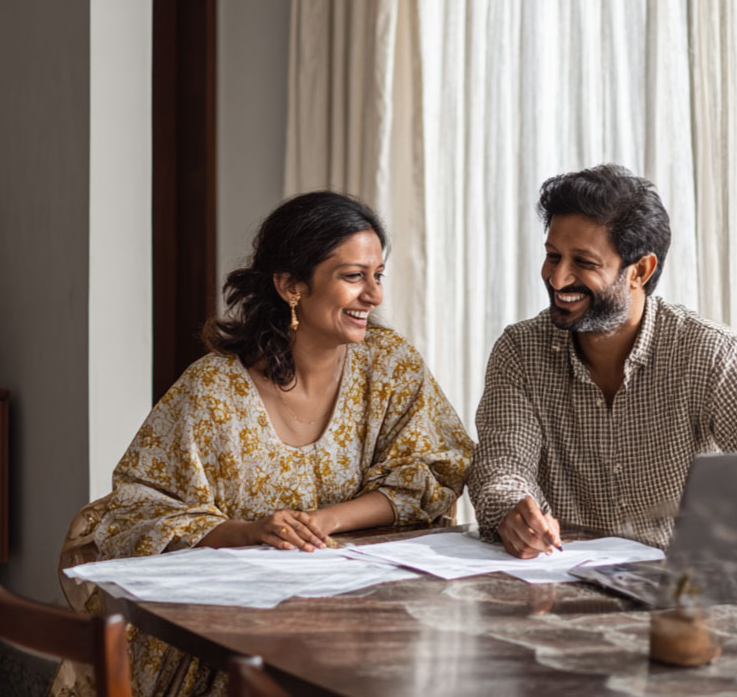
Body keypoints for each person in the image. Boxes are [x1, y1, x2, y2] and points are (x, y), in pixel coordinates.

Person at [52, 191, 474, 697]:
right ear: (291, 285)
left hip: (359, 618)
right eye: (353, 276)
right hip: (222, 636)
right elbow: (136, 515)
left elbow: (434, 471)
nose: (374, 296)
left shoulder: (392, 367)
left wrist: (325, 521)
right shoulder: (212, 389)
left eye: (378, 275)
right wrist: (251, 531)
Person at [468, 165, 737, 560]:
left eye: (584, 262)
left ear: (640, 271)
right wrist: (512, 509)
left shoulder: (710, 353)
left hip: (685, 597)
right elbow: (501, 467)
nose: (558, 279)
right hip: (560, 586)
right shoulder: (520, 350)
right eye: (552, 256)